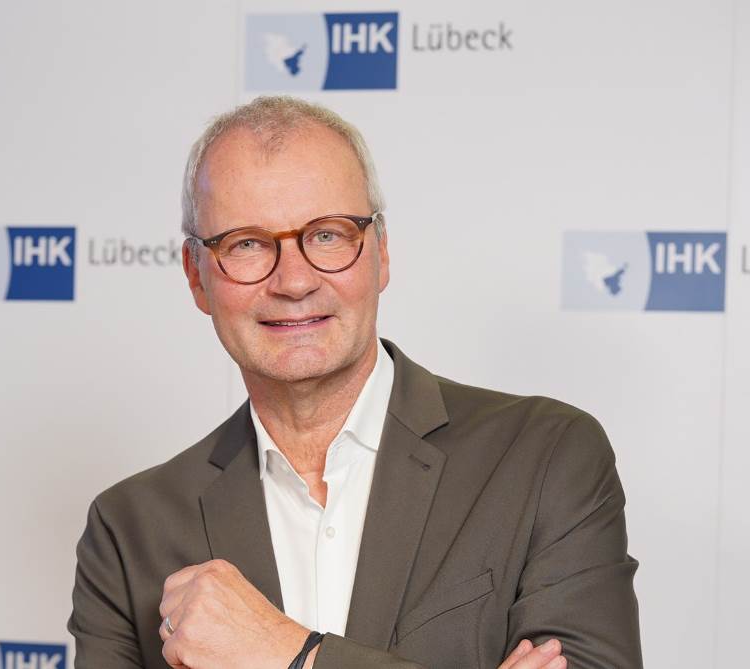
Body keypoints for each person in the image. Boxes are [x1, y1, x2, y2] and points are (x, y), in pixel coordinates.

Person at [68, 96, 642, 669]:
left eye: (327, 235)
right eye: (246, 244)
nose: (293, 281)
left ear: (381, 253)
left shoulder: (544, 455)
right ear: (197, 276)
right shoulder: (129, 531)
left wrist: (289, 654)